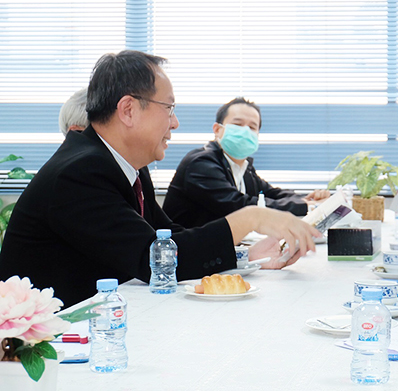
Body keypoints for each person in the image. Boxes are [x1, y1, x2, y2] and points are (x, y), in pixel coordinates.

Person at [0, 50, 319, 307]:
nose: (176, 122)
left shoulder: (127, 165)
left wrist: (246, 254)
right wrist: (250, 218)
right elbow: (154, 258)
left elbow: (171, 236)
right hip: (49, 345)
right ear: (128, 110)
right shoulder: (79, 173)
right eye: (168, 108)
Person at [163, 97, 330, 228]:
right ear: (217, 129)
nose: (245, 131)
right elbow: (240, 205)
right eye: (237, 124)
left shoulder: (244, 168)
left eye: (252, 127)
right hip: (184, 258)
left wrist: (305, 199)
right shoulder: (201, 163)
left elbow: (271, 194)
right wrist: (305, 206)